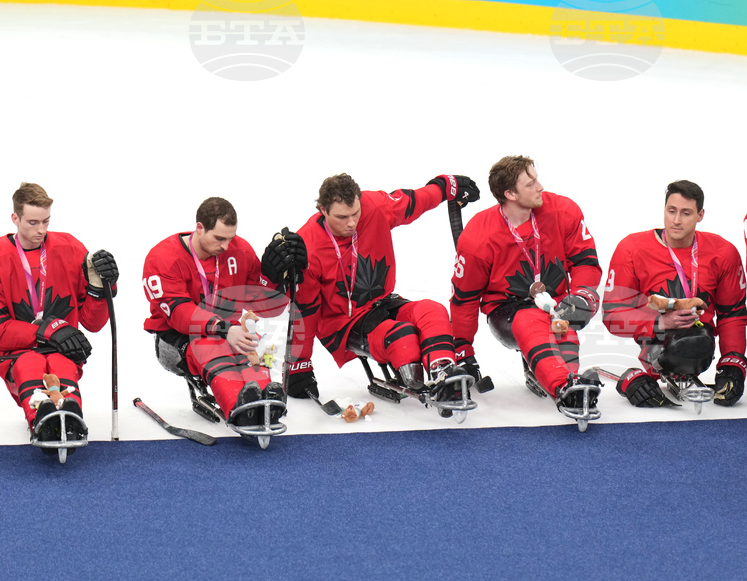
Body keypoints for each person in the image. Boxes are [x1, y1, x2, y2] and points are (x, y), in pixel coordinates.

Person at [289, 172, 480, 407]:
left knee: (432, 310)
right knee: (402, 337)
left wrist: (444, 188)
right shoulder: (307, 246)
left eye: (355, 213)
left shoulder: (375, 207)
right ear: (323, 210)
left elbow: (412, 202)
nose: (351, 223)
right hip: (342, 322)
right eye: (341, 217)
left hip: (382, 301)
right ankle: (420, 373)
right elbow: (304, 310)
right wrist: (299, 364)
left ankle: (444, 372)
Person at [450, 156, 603, 417]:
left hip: (557, 302)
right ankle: (563, 386)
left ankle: (570, 380)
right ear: (509, 194)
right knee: (533, 319)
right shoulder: (478, 235)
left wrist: (582, 294)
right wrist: (463, 349)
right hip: (506, 310)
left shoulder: (563, 211)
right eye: (530, 184)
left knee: (561, 319)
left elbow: (585, 261)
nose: (540, 186)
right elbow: (464, 298)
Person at [0, 182, 118, 444]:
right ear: (15, 218)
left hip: (63, 348)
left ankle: (69, 415)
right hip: (16, 350)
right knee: (30, 364)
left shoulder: (70, 247)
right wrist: (50, 329)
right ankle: (44, 418)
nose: (41, 230)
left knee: (61, 364)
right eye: (32, 222)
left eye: (46, 221)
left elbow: (93, 323)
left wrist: (101, 289)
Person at [142, 197, 304, 427]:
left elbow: (266, 308)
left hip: (230, 333)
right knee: (210, 344)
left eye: (231, 238)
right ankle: (240, 407)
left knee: (254, 344)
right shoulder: (163, 258)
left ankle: (265, 399)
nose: (226, 246)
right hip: (176, 340)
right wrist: (224, 329)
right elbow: (180, 315)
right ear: (199, 228)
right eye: (219, 238)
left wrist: (277, 280)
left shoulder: (240, 250)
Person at [603, 180, 746, 407]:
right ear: (664, 210)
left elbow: (733, 314)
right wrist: (660, 322)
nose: (676, 220)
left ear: (700, 215)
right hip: (656, 345)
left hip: (702, 345)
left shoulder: (724, 252)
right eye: (671, 211)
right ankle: (638, 376)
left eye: (686, 213)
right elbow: (612, 316)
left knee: (698, 345)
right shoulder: (631, 249)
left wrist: (733, 362)